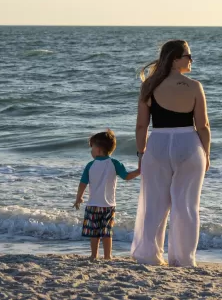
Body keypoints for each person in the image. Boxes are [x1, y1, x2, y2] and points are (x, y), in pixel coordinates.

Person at [131, 40, 211, 267]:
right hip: (188, 143)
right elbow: (203, 126)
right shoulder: (195, 86)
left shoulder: (149, 87)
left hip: (157, 143)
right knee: (186, 205)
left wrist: (141, 154)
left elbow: (141, 126)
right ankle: (183, 259)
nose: (191, 59)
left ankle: (149, 255)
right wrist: (207, 153)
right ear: (176, 59)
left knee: (154, 205)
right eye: (188, 55)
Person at [73, 129, 140, 260]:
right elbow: (126, 176)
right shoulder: (114, 163)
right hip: (109, 205)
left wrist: (79, 197)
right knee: (106, 232)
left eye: (92, 148)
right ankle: (108, 256)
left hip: (93, 205)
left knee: (94, 233)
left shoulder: (90, 165)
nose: (91, 151)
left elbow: (83, 183)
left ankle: (93, 255)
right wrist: (139, 171)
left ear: (98, 150)